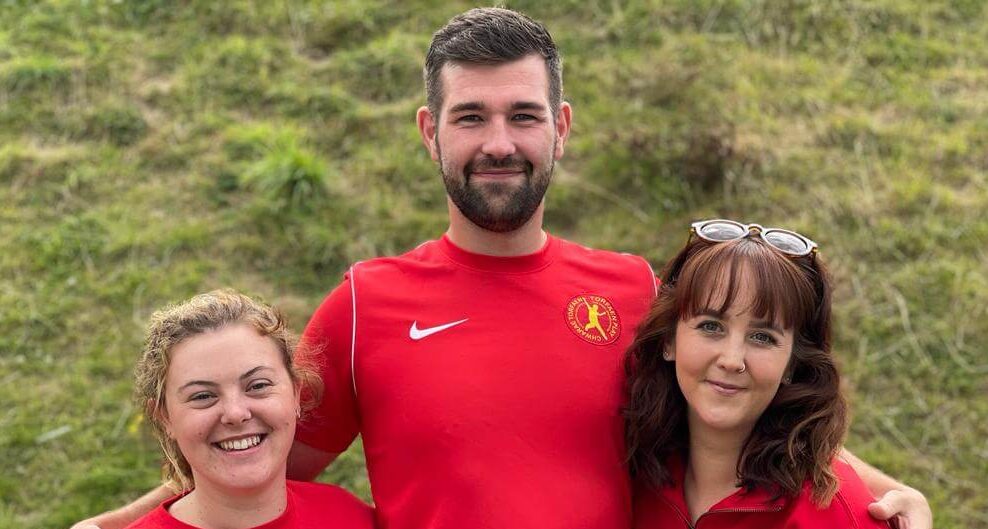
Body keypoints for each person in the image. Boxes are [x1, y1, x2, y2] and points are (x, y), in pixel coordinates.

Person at [73, 8, 930, 529]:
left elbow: (737, 393)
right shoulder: (365, 304)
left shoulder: (633, 289)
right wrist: (124, 520)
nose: (498, 143)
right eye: (470, 116)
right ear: (428, 131)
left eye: (522, 115)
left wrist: (895, 490)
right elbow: (245, 459)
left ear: (560, 126)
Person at [625, 220, 895, 528]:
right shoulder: (627, 473)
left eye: (763, 337)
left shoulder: (840, 515)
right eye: (711, 327)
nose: (731, 360)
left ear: (793, 364)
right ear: (669, 341)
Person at [122, 290, 373, 529]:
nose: (235, 413)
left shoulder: (350, 516)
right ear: (164, 417)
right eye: (203, 396)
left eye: (258, 385)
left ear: (296, 393)